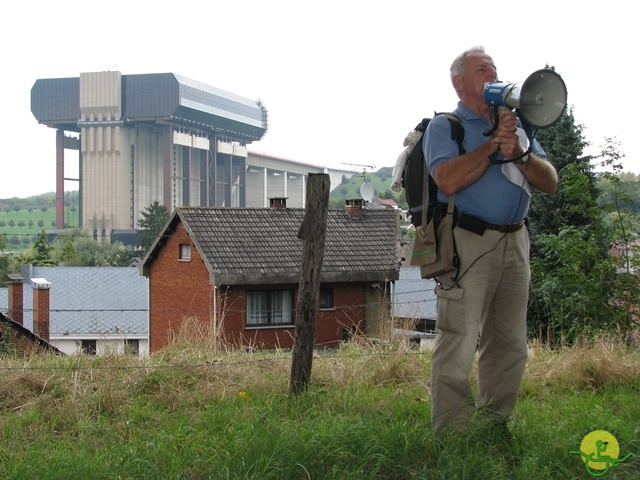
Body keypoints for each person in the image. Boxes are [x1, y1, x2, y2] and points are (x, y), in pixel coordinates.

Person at [423, 46, 558, 432]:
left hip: (515, 242)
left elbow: (549, 182)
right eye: (483, 69)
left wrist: (519, 153)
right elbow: (447, 179)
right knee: (459, 338)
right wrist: (491, 145)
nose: (493, 75)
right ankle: (452, 431)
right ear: (459, 82)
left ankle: (495, 422)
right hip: (468, 241)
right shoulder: (446, 127)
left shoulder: (518, 128)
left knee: (509, 341)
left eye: (495, 69)